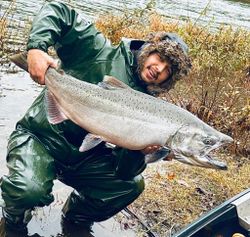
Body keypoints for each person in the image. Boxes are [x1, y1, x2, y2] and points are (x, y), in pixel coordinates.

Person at [0, 1, 191, 235]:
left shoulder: (153, 110)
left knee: (129, 186)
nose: (159, 68)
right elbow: (59, 11)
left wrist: (139, 152)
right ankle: (13, 220)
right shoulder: (99, 51)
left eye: (168, 70)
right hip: (41, 138)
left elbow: (124, 173)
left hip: (84, 159)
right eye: (160, 57)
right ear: (148, 49)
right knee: (28, 190)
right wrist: (36, 49)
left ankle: (75, 220)